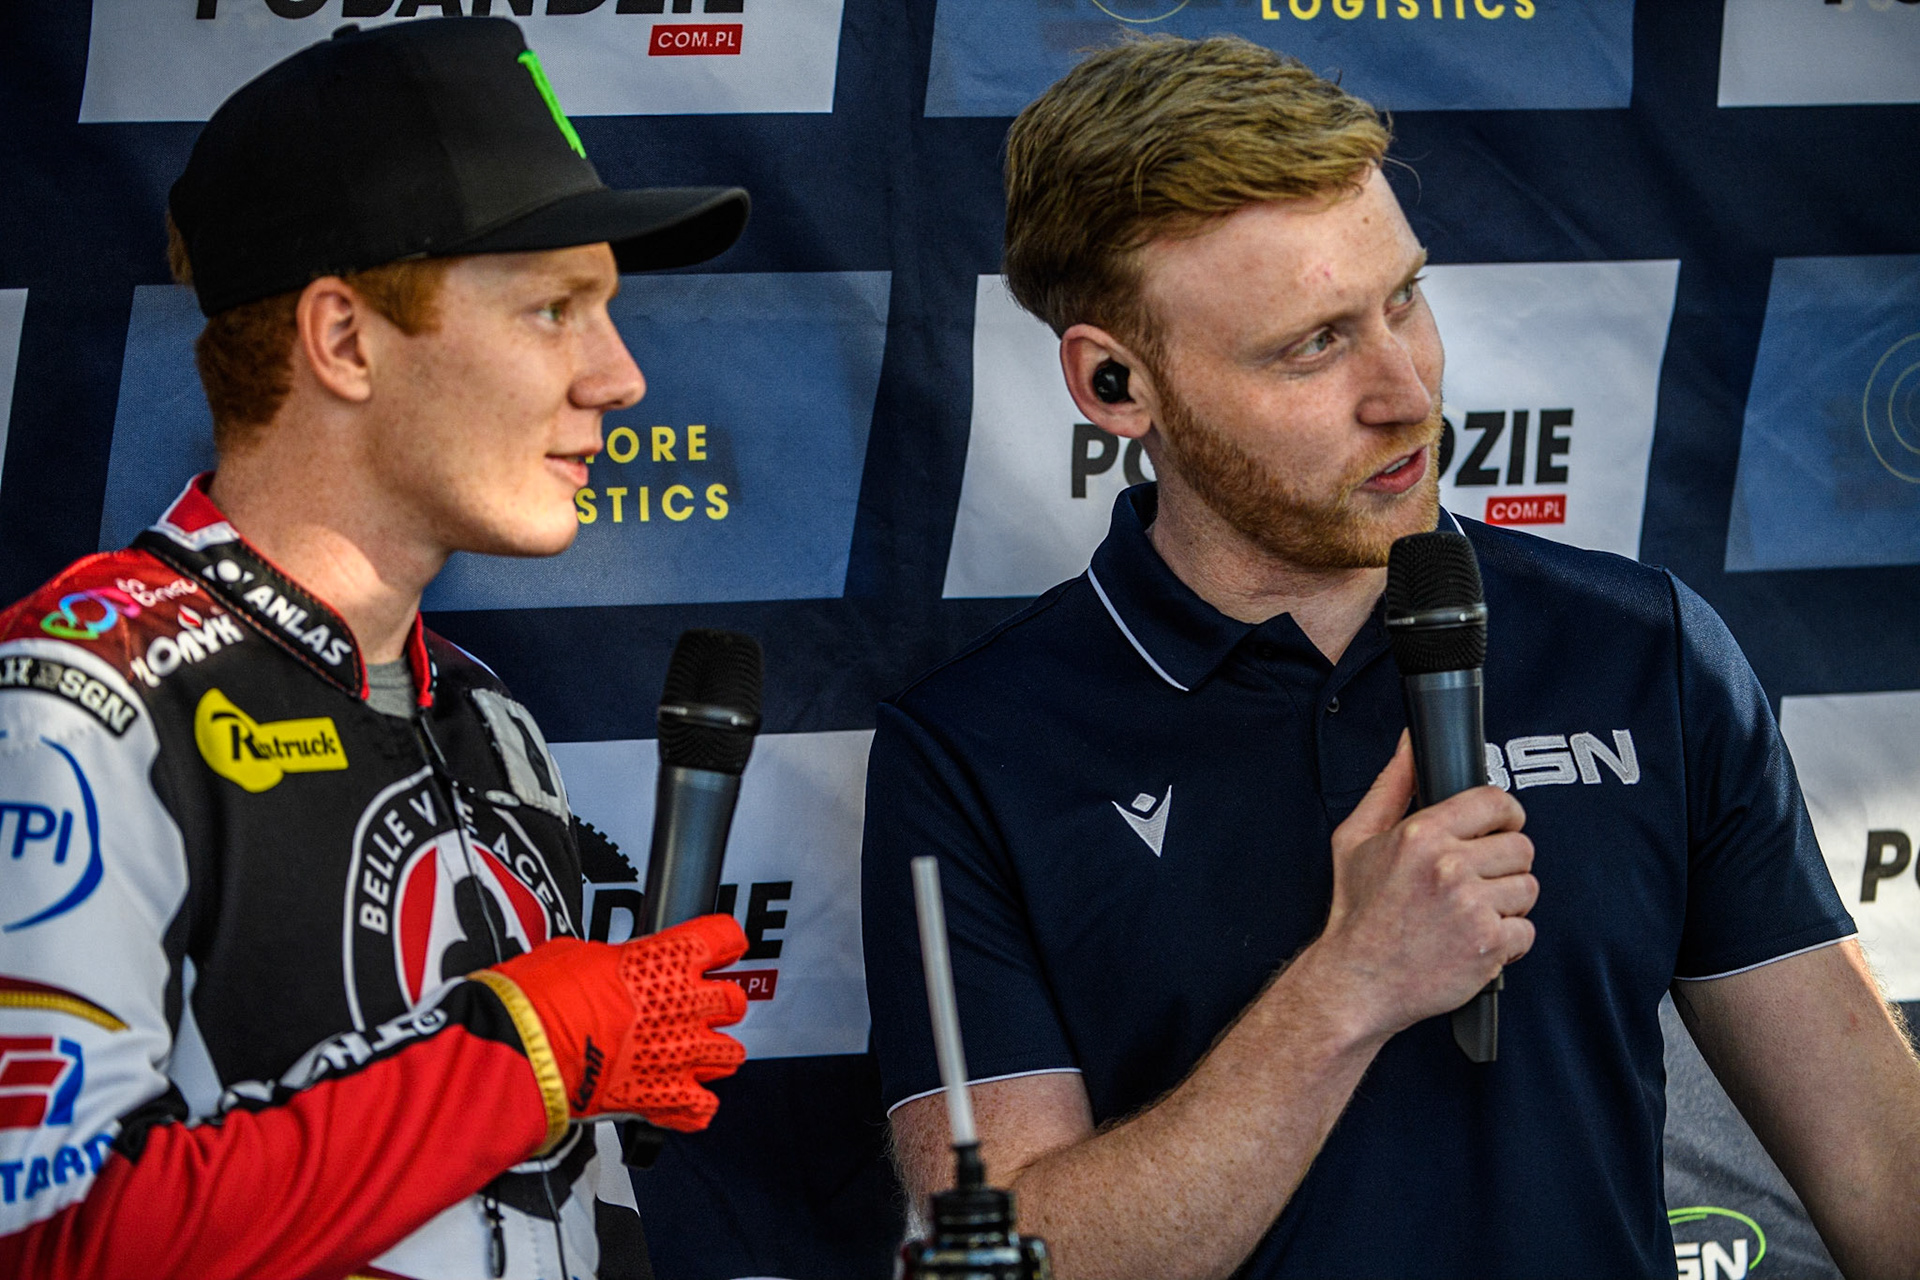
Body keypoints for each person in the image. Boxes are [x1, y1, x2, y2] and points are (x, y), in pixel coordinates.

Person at [860, 35, 1920, 1280]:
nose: (1405, 389)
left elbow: (1879, 1170)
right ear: (1114, 382)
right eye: (1312, 344)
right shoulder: (973, 747)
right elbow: (1005, 1265)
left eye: (1402, 298)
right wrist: (1345, 989)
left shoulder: (1642, 647)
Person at [0, 18, 755, 1280]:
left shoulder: (493, 720)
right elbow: (54, 1238)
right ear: (344, 339)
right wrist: (525, 1050)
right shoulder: (81, 700)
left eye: (608, 311)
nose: (620, 378)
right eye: (555, 309)